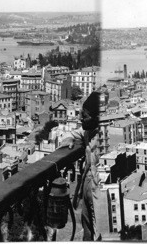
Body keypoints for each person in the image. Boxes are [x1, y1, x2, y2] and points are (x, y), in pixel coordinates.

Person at [59, 92, 102, 241]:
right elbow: (70, 134)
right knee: (87, 227)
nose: (80, 118)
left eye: (84, 116)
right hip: (87, 185)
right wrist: (69, 138)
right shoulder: (87, 131)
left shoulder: (102, 137)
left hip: (99, 189)